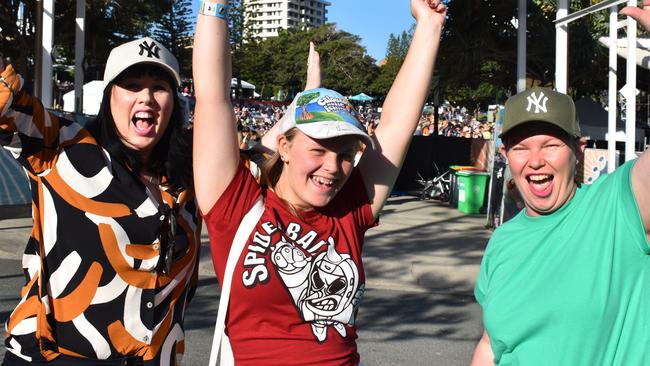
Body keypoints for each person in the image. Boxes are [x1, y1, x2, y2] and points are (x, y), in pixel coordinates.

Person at [191, 0, 446, 364]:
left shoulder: (350, 209)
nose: (333, 166)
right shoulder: (235, 205)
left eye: (345, 154)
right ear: (285, 146)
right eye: (319, 150)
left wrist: (429, 25)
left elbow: (394, 125)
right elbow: (213, 98)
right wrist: (215, 5)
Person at [0, 37, 200, 365]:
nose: (147, 97)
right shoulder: (61, 147)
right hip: (54, 357)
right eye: (132, 85)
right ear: (110, 97)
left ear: (174, 102)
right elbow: (7, 102)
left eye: (159, 87)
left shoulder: (192, 174)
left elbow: (282, 160)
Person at [470, 85, 649, 363]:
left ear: (578, 150)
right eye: (521, 148)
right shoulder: (502, 240)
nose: (536, 161)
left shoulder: (618, 205)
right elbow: (491, 344)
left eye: (551, 145)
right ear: (506, 155)